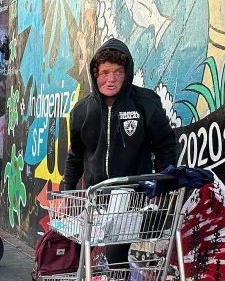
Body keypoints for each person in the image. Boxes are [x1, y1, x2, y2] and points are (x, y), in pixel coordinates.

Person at [62, 38, 177, 268]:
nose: (111, 79)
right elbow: (75, 154)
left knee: (115, 251)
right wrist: (68, 187)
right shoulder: (82, 111)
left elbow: (165, 145)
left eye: (118, 72)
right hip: (96, 197)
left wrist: (162, 183)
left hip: (133, 196)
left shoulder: (145, 103)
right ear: (96, 75)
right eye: (104, 72)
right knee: (80, 251)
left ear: (127, 73)